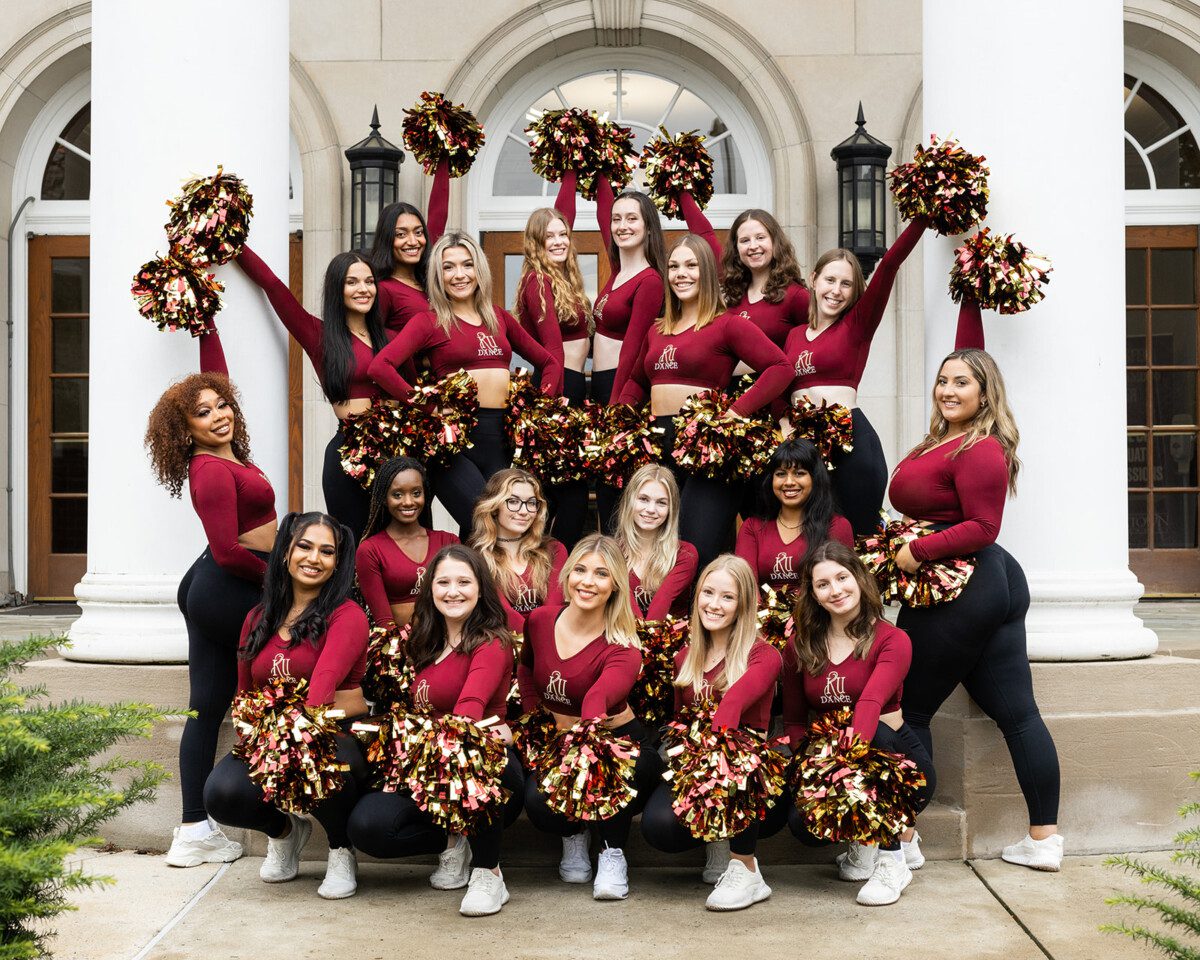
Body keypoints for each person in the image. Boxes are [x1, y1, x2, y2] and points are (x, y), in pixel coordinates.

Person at [889, 318, 1063, 871]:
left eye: (961, 381)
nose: (947, 389)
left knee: (908, 709)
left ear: (985, 391)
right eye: (943, 380)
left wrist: (917, 551)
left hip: (966, 585)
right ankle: (1043, 841)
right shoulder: (944, 440)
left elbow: (984, 526)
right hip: (982, 584)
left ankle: (903, 840)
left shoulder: (981, 447)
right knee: (1017, 714)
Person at [147, 329, 276, 869]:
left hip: (211, 587)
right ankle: (255, 812)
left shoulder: (230, 455)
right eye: (203, 412)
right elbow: (227, 552)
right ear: (187, 430)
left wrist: (206, 319)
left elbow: (216, 373)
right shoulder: (210, 472)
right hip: (228, 589)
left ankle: (193, 830)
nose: (219, 414)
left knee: (206, 708)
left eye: (222, 404)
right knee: (265, 685)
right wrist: (282, 579)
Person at [347, 544, 523, 917]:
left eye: (464, 581)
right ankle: (453, 838)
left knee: (467, 753)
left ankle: (488, 872)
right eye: (443, 582)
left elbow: (467, 714)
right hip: (430, 765)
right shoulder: (424, 641)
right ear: (430, 590)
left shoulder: (491, 641)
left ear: (481, 589)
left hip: (482, 767)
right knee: (368, 827)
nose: (453, 591)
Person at [203, 512, 370, 900]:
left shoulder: (346, 615)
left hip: (331, 731)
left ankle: (341, 849)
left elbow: (322, 690)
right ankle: (286, 833)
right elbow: (245, 692)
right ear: (285, 553)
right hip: (273, 734)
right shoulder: (258, 617)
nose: (314, 558)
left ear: (337, 563)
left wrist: (285, 739)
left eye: (327, 552)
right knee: (222, 793)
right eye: (305, 546)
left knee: (313, 754)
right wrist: (253, 740)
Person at [367, 232, 564, 534]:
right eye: (448, 267)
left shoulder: (498, 318)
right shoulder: (428, 321)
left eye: (467, 265)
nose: (459, 275)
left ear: (478, 270)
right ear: (438, 274)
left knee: (505, 530)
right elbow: (380, 367)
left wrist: (538, 410)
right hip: (454, 445)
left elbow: (549, 362)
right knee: (485, 524)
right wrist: (429, 407)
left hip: (502, 439)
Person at [616, 235, 791, 571]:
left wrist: (737, 411)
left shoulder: (727, 325)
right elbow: (637, 380)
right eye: (674, 266)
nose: (682, 273)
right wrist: (623, 418)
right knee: (655, 550)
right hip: (659, 444)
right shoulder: (657, 330)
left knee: (696, 549)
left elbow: (780, 368)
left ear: (707, 271)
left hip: (706, 448)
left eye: (691, 265)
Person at [781, 541, 936, 906]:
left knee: (876, 735)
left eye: (842, 577)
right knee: (802, 824)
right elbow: (793, 719)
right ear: (813, 595)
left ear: (859, 579)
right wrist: (808, 770)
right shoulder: (800, 645)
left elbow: (869, 702)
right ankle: (869, 841)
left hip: (897, 761)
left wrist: (846, 763)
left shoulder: (892, 639)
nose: (835, 590)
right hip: (835, 757)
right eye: (823, 584)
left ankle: (892, 859)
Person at [517, 534, 661, 901]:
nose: (587, 581)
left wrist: (577, 731)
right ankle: (574, 834)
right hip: (559, 737)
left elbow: (598, 697)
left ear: (615, 585)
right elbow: (526, 667)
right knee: (536, 802)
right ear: (566, 576)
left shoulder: (624, 644)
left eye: (600, 574)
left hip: (616, 740)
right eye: (580, 570)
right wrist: (540, 715)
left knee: (606, 769)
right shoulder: (539, 619)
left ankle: (613, 852)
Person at [639, 554, 782, 911]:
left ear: (743, 604)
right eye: (708, 593)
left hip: (752, 781)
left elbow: (732, 706)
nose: (714, 605)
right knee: (658, 827)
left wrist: (711, 756)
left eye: (728, 597)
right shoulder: (684, 657)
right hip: (697, 768)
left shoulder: (763, 654)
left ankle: (746, 868)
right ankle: (716, 839)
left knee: (734, 754)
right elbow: (677, 722)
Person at [780, 216, 929, 536]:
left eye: (846, 284)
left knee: (858, 541)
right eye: (830, 280)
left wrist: (923, 215)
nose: (836, 290)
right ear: (813, 279)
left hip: (852, 446)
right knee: (811, 539)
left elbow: (889, 265)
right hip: (806, 448)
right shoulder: (792, 336)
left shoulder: (857, 326)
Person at [235, 246, 388, 537]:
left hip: (395, 454)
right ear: (336, 289)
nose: (363, 289)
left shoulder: (390, 338)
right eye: (352, 282)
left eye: (369, 281)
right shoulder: (319, 335)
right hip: (348, 455)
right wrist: (232, 240)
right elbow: (272, 285)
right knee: (352, 546)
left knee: (401, 543)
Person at [514, 175, 592, 548]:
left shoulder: (563, 279)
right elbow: (553, 353)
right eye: (551, 237)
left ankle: (551, 567)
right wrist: (551, 409)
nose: (560, 241)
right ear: (537, 243)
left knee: (571, 496)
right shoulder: (537, 281)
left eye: (564, 234)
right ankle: (542, 567)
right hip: (556, 392)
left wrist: (572, 174)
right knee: (557, 496)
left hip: (574, 390)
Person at [590, 180, 667, 528]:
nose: (623, 225)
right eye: (616, 219)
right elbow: (602, 207)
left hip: (621, 393)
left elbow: (635, 348)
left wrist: (617, 408)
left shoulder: (649, 280)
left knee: (618, 491)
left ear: (648, 226)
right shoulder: (618, 273)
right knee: (604, 490)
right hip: (602, 387)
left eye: (632, 218)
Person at [735, 437, 854, 592]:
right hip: (760, 614)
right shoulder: (752, 527)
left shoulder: (836, 525)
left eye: (799, 473)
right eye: (781, 474)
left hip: (818, 613)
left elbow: (840, 587)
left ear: (815, 479)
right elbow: (746, 587)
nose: (789, 481)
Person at [355, 456, 458, 630]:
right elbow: (384, 623)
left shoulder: (448, 541)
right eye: (397, 495)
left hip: (449, 642)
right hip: (400, 648)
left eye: (416, 493)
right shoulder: (370, 550)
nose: (408, 502)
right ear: (384, 499)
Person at [469, 469, 567, 634]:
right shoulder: (477, 556)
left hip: (551, 638)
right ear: (494, 506)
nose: (524, 511)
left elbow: (554, 608)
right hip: (502, 641)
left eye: (531, 503)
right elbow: (502, 612)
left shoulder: (554, 550)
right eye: (513, 501)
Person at [368, 161, 450, 335]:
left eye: (418, 232)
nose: (413, 241)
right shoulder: (383, 289)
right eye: (401, 234)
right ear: (387, 239)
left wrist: (445, 154)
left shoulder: (430, 280)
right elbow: (375, 342)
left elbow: (438, 214)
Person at [611, 463, 697, 620]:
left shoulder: (685, 554)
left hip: (670, 640)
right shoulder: (611, 551)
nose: (651, 509)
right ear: (630, 501)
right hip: (623, 639)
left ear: (671, 509)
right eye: (643, 499)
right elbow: (626, 607)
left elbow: (661, 605)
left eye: (661, 502)